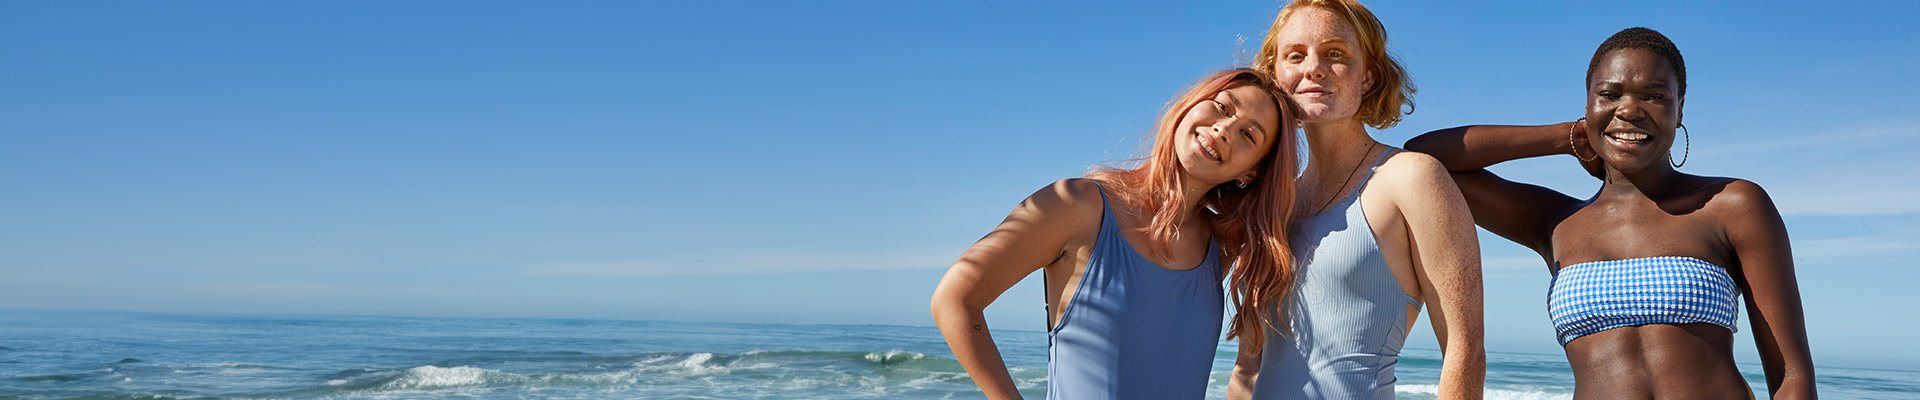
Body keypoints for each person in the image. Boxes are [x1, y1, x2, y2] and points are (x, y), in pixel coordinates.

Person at [1403, 27, 1816, 398]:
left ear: (1681, 109)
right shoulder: (1554, 221)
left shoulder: (1733, 205)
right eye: (1611, 94)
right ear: (1588, 103)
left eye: (1655, 95)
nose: (1631, 109)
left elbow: (1791, 374)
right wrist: (1567, 136)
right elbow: (1425, 157)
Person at [930, 68, 1300, 400]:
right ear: (1191, 105)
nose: (1223, 129)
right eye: (1222, 107)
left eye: (1248, 134)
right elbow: (955, 300)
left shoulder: (1220, 248)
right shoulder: (1077, 205)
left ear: (1250, 173)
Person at [1227, 1, 1486, 399]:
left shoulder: (1411, 178)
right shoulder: (1274, 200)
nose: (1313, 67)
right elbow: (1248, 368)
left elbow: (1463, 350)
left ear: (1368, 76)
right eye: (1295, 55)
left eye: (1335, 54)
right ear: (1275, 76)